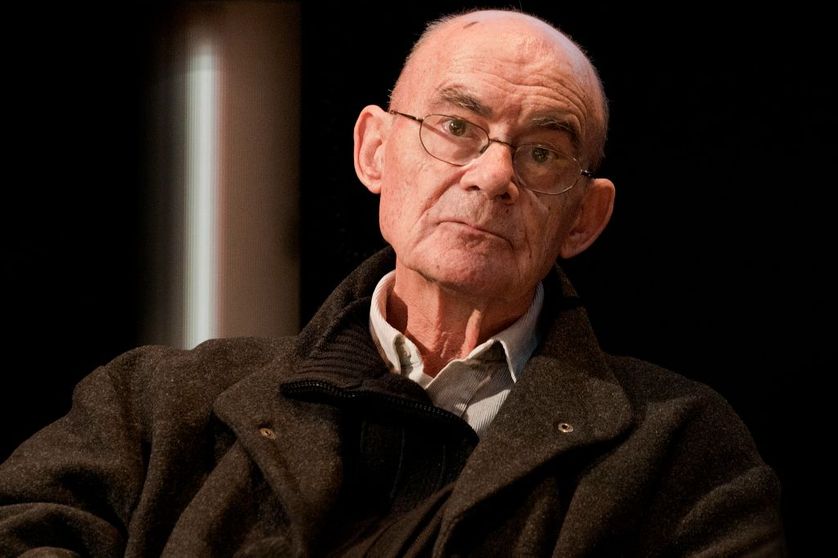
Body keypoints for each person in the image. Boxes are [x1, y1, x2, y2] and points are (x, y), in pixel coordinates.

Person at [0, 8, 785, 557]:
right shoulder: (153, 407)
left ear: (584, 217)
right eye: (456, 128)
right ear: (374, 151)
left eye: (542, 152)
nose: (493, 176)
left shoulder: (678, 448)